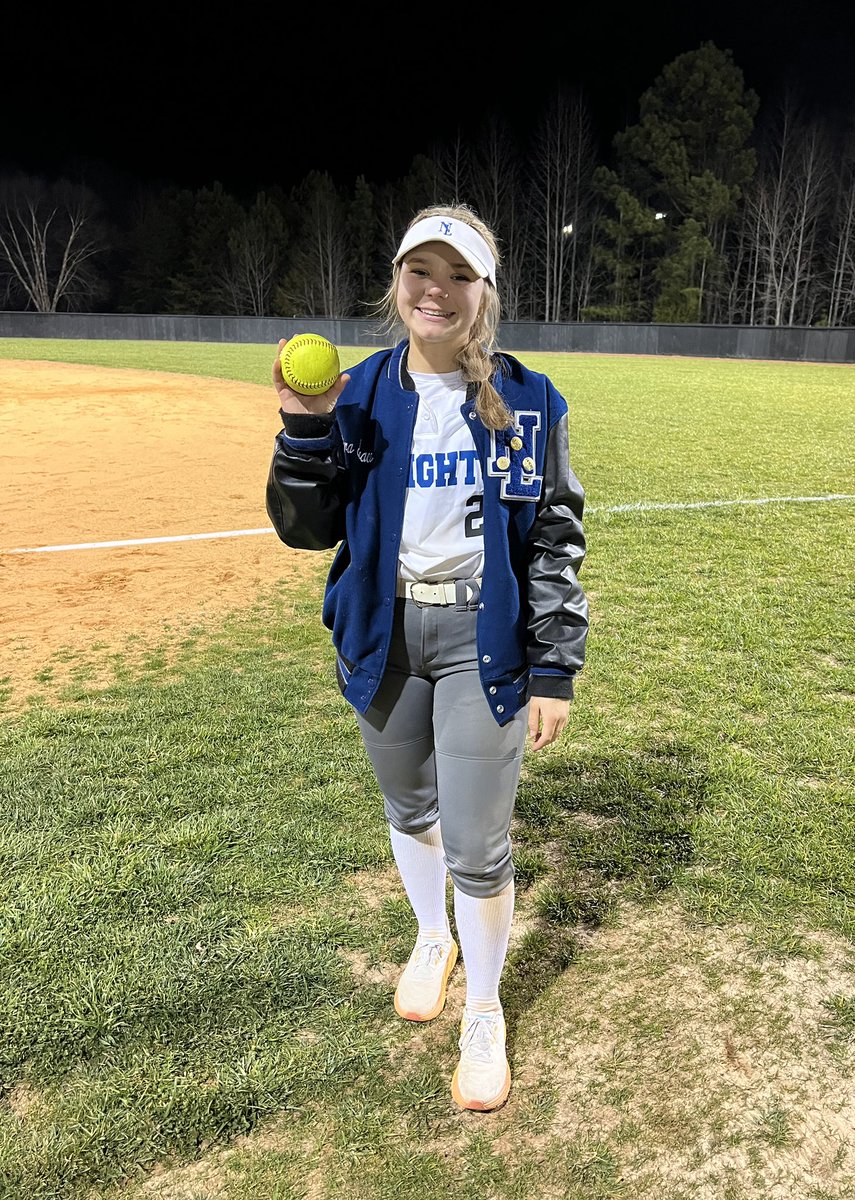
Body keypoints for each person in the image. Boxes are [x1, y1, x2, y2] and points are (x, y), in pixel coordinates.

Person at [266, 202, 589, 1112]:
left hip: (479, 642)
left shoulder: (528, 399)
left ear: (484, 294)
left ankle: (483, 1007)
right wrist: (303, 432)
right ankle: (431, 937)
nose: (435, 291)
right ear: (398, 283)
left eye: (457, 275)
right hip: (385, 635)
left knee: (479, 846)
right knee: (410, 811)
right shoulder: (361, 391)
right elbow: (307, 528)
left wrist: (554, 665)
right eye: (420, 271)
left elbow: (556, 534)